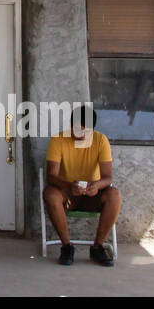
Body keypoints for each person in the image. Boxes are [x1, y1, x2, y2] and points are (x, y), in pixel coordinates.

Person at [43, 104, 120, 266]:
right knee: (50, 194)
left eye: (87, 131)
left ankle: (98, 247)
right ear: (71, 127)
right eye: (78, 130)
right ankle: (66, 246)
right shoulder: (58, 140)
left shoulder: (101, 140)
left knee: (114, 195)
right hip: (67, 193)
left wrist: (97, 185)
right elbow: (51, 176)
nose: (82, 134)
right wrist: (69, 186)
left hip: (93, 194)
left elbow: (108, 177)